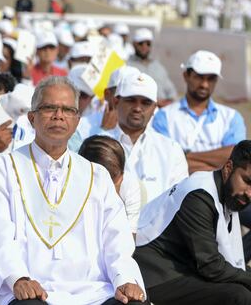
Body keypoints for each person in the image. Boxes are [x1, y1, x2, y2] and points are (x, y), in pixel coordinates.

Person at [0, 76, 147, 305]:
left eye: (67, 110)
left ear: (76, 120)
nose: (58, 115)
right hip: (32, 288)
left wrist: (125, 279)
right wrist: (18, 278)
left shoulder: (96, 175)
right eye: (49, 108)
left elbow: (116, 238)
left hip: (93, 290)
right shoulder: (4, 168)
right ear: (32, 117)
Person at [134, 141, 251, 305]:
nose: (249, 194)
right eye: (246, 181)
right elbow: (211, 266)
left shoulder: (225, 194)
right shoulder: (199, 196)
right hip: (154, 274)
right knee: (239, 295)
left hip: (182, 268)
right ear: (228, 168)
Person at [94, 72, 188, 207]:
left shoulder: (171, 150)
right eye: (131, 100)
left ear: (154, 108)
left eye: (145, 103)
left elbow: (178, 202)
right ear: (115, 102)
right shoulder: (97, 144)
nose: (137, 108)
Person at [153, 50, 246, 173]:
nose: (205, 85)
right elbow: (164, 161)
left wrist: (185, 156)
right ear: (186, 76)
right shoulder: (164, 115)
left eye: (211, 79)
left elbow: (236, 158)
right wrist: (216, 170)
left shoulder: (231, 117)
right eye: (199, 77)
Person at [78, 136, 142, 234]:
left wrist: (116, 205)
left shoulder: (129, 186)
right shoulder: (70, 183)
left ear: (121, 175)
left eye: (113, 179)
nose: (107, 189)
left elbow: (129, 241)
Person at [126, 29, 176, 106]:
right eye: (141, 43)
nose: (144, 46)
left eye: (148, 44)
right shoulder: (127, 66)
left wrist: (168, 102)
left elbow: (171, 92)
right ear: (134, 44)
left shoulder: (158, 66)